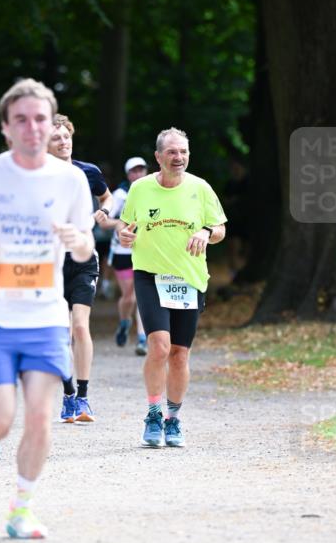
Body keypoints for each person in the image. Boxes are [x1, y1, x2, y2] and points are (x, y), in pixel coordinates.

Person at [0, 79, 94, 539]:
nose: (32, 128)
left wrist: (77, 240)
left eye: (40, 119)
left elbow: (86, 247)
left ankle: (20, 511)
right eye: (21, 120)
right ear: (6, 128)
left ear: (52, 125)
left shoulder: (71, 179)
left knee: (39, 417)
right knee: (0, 417)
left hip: (46, 316)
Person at [118, 128, 226, 449]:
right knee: (159, 347)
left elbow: (220, 228)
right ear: (158, 157)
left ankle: (173, 419)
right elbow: (125, 225)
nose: (178, 158)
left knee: (179, 354)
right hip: (150, 275)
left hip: (188, 279)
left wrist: (206, 233)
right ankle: (153, 414)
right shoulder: (140, 188)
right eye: (172, 152)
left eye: (183, 152)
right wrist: (124, 235)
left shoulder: (200, 188)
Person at [47, 114, 113, 424]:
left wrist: (104, 212)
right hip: (51, 261)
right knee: (61, 331)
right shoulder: (38, 176)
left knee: (80, 326)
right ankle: (68, 393)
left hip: (84, 259)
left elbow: (106, 196)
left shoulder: (88, 171)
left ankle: (83, 396)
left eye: (66, 136)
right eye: (56, 138)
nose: (63, 142)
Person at [101, 156, 149, 356]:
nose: (138, 174)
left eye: (141, 170)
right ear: (128, 175)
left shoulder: (154, 190)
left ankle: (142, 339)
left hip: (146, 250)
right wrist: (125, 222)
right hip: (123, 251)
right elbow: (104, 222)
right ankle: (124, 322)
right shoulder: (120, 194)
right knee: (128, 296)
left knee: (143, 295)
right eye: (133, 171)